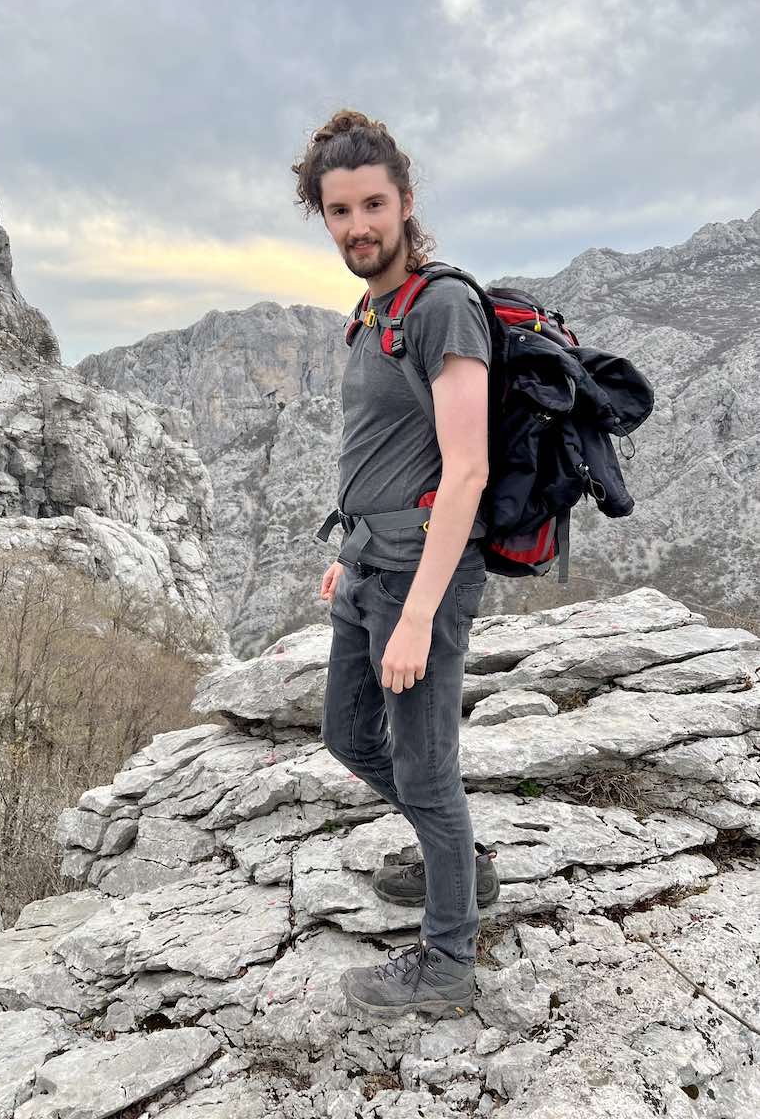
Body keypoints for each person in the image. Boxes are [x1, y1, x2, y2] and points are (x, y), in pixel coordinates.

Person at [292, 110, 494, 1019]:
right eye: (340, 211)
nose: (358, 225)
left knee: (424, 768)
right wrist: (353, 552)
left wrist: (417, 613)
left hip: (423, 578)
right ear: (324, 217)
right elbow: (379, 448)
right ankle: (462, 864)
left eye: (374, 204)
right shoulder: (375, 307)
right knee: (348, 735)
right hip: (368, 563)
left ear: (406, 203)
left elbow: (468, 470)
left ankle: (448, 963)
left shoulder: (443, 303)